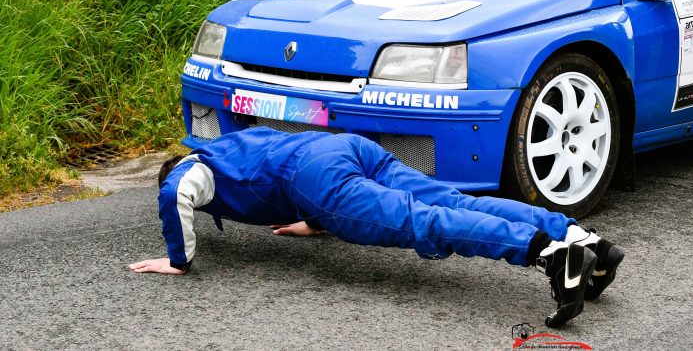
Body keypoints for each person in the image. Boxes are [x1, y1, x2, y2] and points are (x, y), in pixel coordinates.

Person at [128, 127, 625, 328]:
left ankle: (549, 255)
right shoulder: (235, 144)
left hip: (315, 177)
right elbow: (281, 166)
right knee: (450, 199)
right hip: (343, 147)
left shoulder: (191, 165)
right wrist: (318, 222)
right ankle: (580, 239)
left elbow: (176, 193)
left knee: (422, 222)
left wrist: (177, 258)